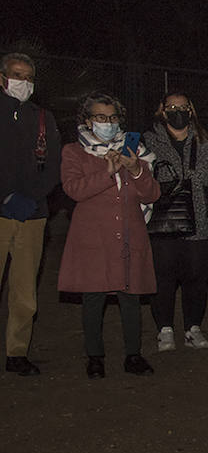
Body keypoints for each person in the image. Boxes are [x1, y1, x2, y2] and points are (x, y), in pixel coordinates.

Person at [58, 92, 161, 378]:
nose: (108, 123)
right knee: (93, 296)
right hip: (92, 237)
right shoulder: (74, 152)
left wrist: (136, 169)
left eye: (113, 117)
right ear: (88, 121)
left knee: (131, 295)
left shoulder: (134, 150)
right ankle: (95, 356)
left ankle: (133, 355)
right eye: (100, 118)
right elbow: (74, 189)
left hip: (129, 233)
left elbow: (152, 193)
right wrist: (108, 170)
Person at [142, 92, 208, 352]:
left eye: (183, 107)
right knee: (163, 277)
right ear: (161, 110)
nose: (177, 111)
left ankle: (193, 327)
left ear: (191, 110)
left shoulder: (204, 140)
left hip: (201, 221)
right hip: (163, 220)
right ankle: (164, 329)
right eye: (172, 107)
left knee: (197, 278)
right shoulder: (148, 141)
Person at [0, 52, 61, 377]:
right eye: (15, 75)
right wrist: (6, 196)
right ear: (2, 77)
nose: (21, 82)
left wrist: (32, 197)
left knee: (25, 291)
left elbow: (53, 166)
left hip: (33, 215)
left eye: (27, 77)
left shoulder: (42, 118)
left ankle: (16, 352)